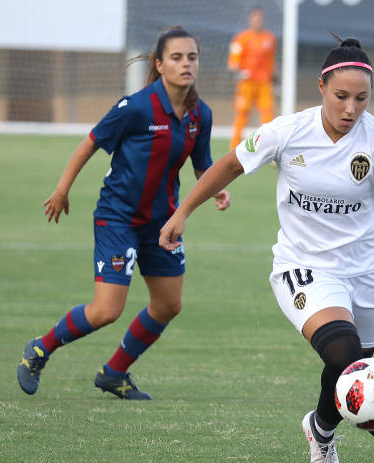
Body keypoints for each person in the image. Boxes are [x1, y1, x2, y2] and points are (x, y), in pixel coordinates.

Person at [159, 36, 374, 463]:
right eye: (341, 96)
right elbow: (229, 165)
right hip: (303, 267)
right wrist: (183, 211)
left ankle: (319, 431)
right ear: (321, 87)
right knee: (345, 355)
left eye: (361, 99)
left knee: (347, 367)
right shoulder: (287, 131)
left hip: (370, 270)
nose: (351, 108)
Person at [16, 26, 231, 400]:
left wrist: (216, 189)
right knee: (106, 310)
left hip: (162, 223)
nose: (186, 64)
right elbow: (91, 143)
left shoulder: (201, 114)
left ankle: (114, 373)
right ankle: (40, 348)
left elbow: (203, 163)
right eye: (177, 57)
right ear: (159, 65)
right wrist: (62, 190)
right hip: (118, 217)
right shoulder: (135, 107)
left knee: (168, 304)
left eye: (192, 57)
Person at [228, 7, 277, 150]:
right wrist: (238, 71)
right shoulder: (241, 38)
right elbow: (233, 62)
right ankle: (234, 149)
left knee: (268, 115)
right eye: (255, 18)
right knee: (242, 114)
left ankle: (271, 148)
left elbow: (270, 61)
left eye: (260, 18)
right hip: (246, 83)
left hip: (264, 83)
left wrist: (273, 76)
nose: (257, 21)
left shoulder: (269, 38)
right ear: (250, 19)